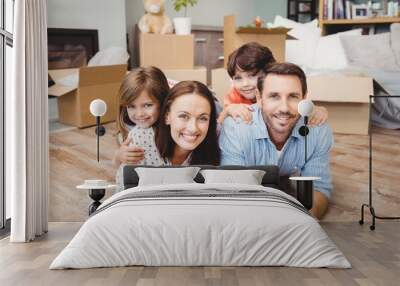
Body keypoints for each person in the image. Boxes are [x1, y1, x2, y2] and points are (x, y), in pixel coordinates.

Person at [219, 62, 334, 219]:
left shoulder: (318, 129)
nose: (284, 108)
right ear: (259, 98)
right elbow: (232, 190)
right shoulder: (236, 127)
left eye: (293, 96)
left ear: (305, 98)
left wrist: (304, 221)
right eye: (274, 96)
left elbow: (319, 188)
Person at [218, 42, 328, 126]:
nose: (245, 84)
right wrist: (228, 110)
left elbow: (301, 106)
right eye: (238, 78)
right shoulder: (234, 96)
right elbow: (219, 125)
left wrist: (318, 110)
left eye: (252, 76)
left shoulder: (281, 88)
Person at [113, 66, 170, 191]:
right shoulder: (131, 133)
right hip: (131, 193)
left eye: (147, 105)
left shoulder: (171, 130)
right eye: (131, 106)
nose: (139, 114)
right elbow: (120, 167)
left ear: (163, 102)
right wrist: (118, 156)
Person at [155, 81, 220, 165]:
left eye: (203, 118)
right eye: (183, 116)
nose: (193, 128)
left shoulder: (219, 141)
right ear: (167, 116)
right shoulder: (142, 145)